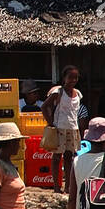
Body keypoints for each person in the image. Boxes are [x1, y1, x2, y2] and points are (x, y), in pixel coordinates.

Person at [42, 65, 85, 194]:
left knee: (69, 157)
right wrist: (51, 123)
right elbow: (45, 107)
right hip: (59, 127)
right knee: (56, 157)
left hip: (73, 128)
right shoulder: (58, 92)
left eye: (76, 77)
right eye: (70, 77)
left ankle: (68, 187)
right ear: (64, 78)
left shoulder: (78, 94)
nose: (73, 80)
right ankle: (56, 186)